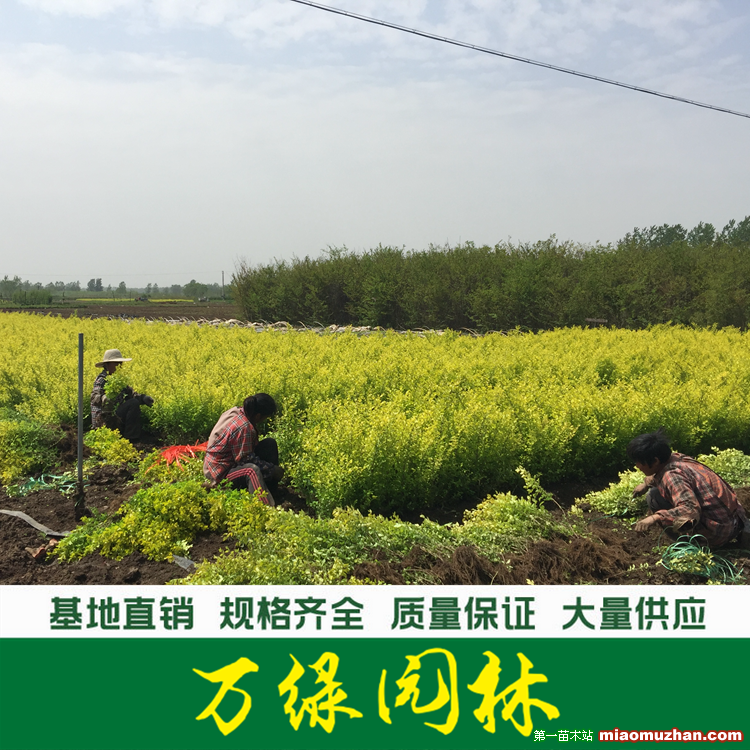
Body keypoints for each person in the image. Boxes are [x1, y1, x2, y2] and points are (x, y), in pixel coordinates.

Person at [628, 429, 749, 548]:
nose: (637, 466)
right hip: (736, 521)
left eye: (639, 462)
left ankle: (690, 543)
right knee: (656, 491)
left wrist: (655, 518)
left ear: (655, 461)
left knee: (654, 497)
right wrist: (646, 484)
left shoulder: (672, 476)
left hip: (718, 533)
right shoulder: (678, 458)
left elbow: (690, 508)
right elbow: (657, 474)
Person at [203, 393, 284, 506]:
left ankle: (271, 490)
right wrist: (272, 470)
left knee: (269, 444)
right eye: (265, 417)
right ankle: (264, 507)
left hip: (225, 461)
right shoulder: (244, 428)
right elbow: (245, 461)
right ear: (258, 416)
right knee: (251, 470)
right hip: (219, 472)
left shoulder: (237, 411)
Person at [90, 349, 154, 441]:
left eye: (120, 363)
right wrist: (103, 398)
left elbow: (131, 395)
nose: (119, 366)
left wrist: (143, 398)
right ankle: (131, 438)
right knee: (133, 403)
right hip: (103, 420)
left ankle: (128, 437)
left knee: (133, 402)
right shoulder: (102, 379)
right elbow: (93, 397)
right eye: (116, 363)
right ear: (107, 365)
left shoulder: (118, 380)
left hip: (115, 417)